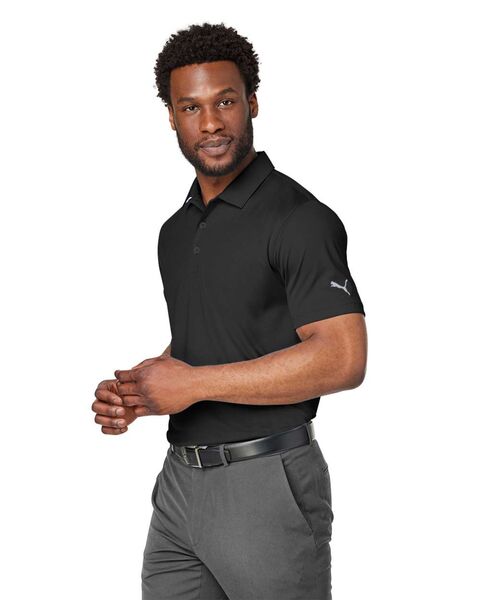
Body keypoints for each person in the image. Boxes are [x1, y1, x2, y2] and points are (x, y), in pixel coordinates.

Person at [92, 22, 368, 600]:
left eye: (225, 101)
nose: (211, 123)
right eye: (190, 107)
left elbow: (343, 359)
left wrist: (191, 385)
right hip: (178, 486)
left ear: (253, 103)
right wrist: (143, 390)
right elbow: (214, 333)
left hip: (265, 482)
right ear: (171, 117)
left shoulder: (300, 219)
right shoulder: (175, 229)